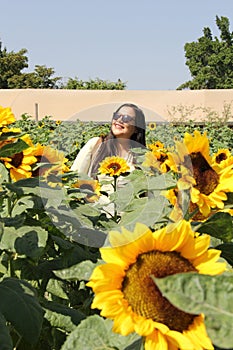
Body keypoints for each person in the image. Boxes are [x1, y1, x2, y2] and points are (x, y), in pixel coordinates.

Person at [71, 103, 146, 178]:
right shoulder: (96, 145)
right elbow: (75, 176)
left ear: (136, 128)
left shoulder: (141, 157)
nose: (119, 120)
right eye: (116, 116)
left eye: (126, 118)